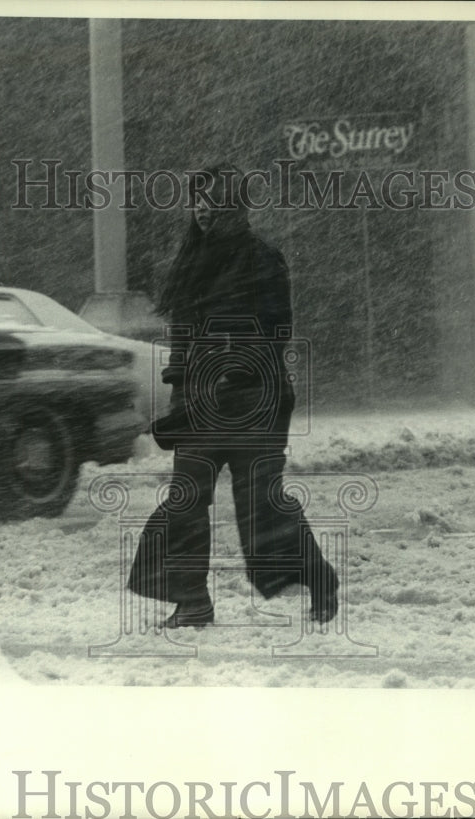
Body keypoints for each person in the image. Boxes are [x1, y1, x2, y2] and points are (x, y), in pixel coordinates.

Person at [127, 163, 339, 628]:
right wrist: (182, 389)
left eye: (214, 201)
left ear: (236, 207)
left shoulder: (263, 259)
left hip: (254, 402)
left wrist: (232, 369)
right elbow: (183, 336)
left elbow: (277, 331)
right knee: (185, 499)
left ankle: (320, 581)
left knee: (262, 503)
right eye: (198, 200)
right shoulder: (189, 262)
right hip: (201, 405)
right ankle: (191, 601)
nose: (203, 209)